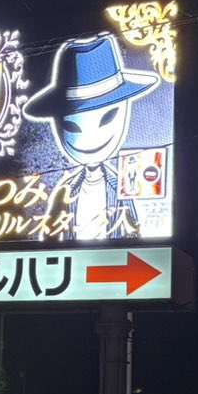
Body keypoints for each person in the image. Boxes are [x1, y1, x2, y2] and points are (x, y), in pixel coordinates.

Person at [24, 34, 159, 240]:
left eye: (107, 118)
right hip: (70, 259)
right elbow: (50, 237)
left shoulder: (122, 184)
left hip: (115, 259)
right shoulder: (65, 190)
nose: (89, 139)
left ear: (125, 110)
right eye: (72, 126)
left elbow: (133, 231)